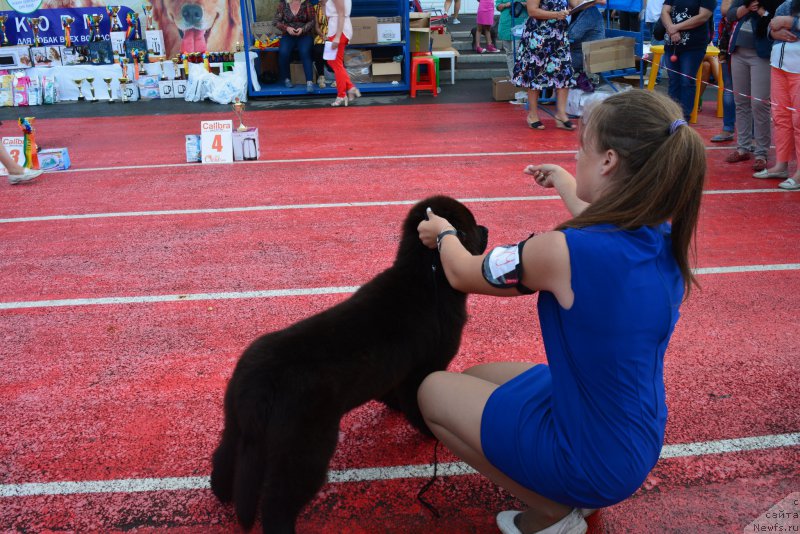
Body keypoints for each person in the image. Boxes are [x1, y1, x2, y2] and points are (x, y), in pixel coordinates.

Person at [416, 89, 706, 534]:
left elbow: (462, 273)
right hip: (635, 434)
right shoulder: (661, 233)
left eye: (580, 149)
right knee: (476, 377)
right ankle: (573, 490)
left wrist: (445, 233)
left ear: (608, 161)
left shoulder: (561, 253)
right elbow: (599, 220)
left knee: (433, 391)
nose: (575, 157)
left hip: (592, 457)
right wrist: (564, 184)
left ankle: (554, 513)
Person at [724, 0, 777, 171]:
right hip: (738, 52)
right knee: (740, 102)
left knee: (759, 103)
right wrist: (747, 7)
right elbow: (730, 14)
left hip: (761, 54)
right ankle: (743, 148)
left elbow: (776, 20)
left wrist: (762, 11)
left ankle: (761, 152)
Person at [512, 0, 580, 130]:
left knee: (564, 73)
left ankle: (561, 114)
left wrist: (592, 2)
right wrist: (556, 15)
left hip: (559, 36)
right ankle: (532, 115)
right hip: (538, 36)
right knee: (535, 74)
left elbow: (576, 4)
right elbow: (532, 11)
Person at [760, 0, 800, 189]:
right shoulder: (787, 4)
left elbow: (781, 21)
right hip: (779, 66)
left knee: (798, 121)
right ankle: (781, 165)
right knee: (780, 117)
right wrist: (774, 31)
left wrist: (789, 22)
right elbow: (771, 27)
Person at [661, 0, 715, 121]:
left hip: (693, 46)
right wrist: (671, 28)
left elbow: (703, 16)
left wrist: (675, 27)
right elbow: (664, 11)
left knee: (686, 81)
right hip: (671, 43)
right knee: (673, 81)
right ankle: (671, 116)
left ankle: (684, 118)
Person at [273, 0, 317, 92]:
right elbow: (276, 21)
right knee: (283, 52)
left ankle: (309, 82)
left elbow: (312, 21)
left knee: (304, 52)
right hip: (288, 35)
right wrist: (287, 28)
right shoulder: (283, 4)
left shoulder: (307, 4)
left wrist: (303, 29)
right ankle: (286, 79)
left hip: (304, 35)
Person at [710, 0, 737, 142]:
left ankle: (753, 137)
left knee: (753, 95)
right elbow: (725, 10)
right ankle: (727, 128)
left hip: (753, 45)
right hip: (727, 42)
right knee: (728, 88)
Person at [326, 0, 360, 107]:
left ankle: (341, 95)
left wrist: (337, 37)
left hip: (338, 30)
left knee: (336, 64)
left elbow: (341, 14)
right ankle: (350, 87)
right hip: (335, 29)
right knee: (332, 61)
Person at [567, 0, 606, 77]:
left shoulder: (589, 12)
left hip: (587, 56)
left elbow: (572, 35)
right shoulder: (581, 11)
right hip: (579, 51)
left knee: (555, 59)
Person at [496, 1, 528, 75]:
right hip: (505, 26)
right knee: (509, 52)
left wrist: (521, 4)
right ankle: (513, 76)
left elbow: (533, 5)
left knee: (518, 52)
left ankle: (520, 76)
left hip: (519, 25)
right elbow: (498, 7)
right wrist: (506, 5)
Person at [312, 0, 329, 89]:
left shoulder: (334, 6)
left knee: (333, 51)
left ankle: (337, 77)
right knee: (318, 50)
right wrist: (323, 36)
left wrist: (330, 36)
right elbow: (316, 27)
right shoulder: (316, 8)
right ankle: (321, 76)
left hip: (333, 33)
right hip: (321, 34)